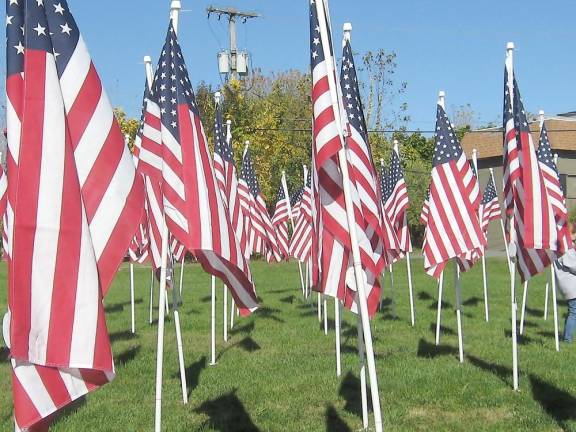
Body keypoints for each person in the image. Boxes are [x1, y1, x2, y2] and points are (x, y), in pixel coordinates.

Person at [554, 248, 576, 343]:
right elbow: (574, 266)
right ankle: (567, 338)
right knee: (573, 312)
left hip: (567, 285)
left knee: (572, 311)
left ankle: (567, 336)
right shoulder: (565, 249)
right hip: (572, 286)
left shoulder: (557, 249)